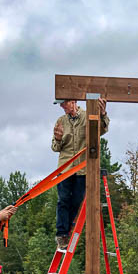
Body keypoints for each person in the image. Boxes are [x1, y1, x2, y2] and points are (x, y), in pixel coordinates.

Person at [51, 97, 109, 249]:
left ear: (73, 101)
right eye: (61, 104)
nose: (62, 106)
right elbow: (55, 147)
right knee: (63, 200)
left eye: (64, 103)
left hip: (83, 169)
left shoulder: (88, 116)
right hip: (65, 168)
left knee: (77, 201)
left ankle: (68, 230)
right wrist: (57, 139)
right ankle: (62, 234)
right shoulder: (60, 121)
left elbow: (101, 131)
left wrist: (103, 114)